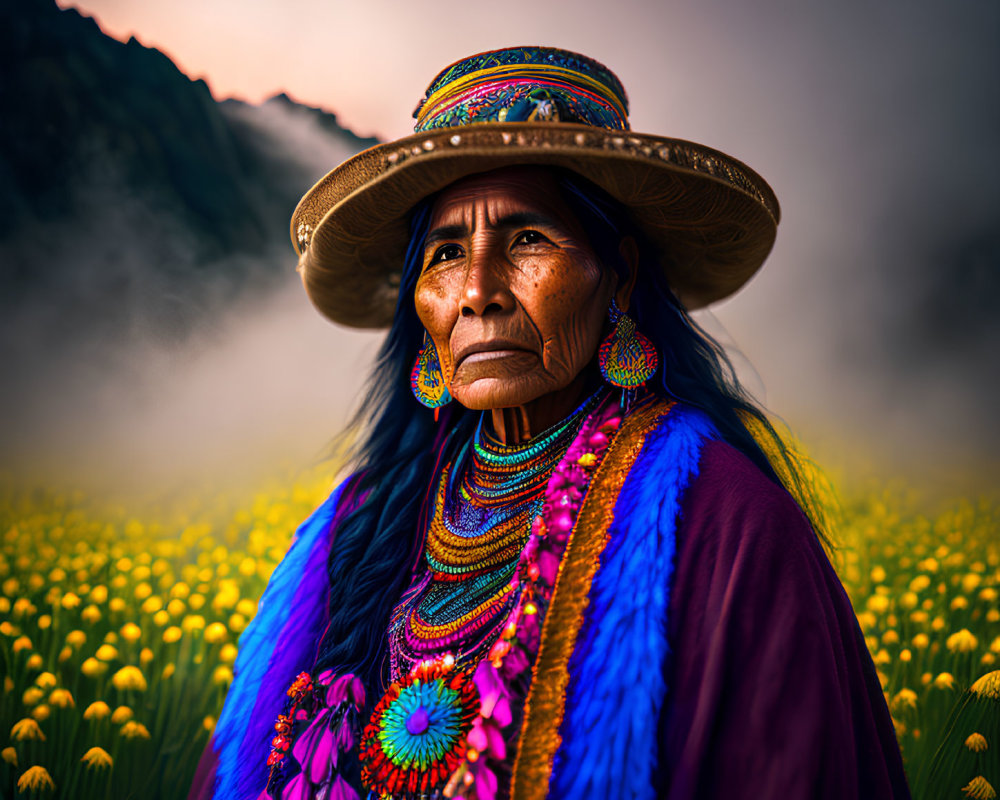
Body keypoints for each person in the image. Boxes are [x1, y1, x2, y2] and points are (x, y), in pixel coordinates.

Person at [190, 47, 910, 800]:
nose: (476, 292)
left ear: (620, 274)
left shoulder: (727, 527)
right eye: (444, 253)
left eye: (528, 239)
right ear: (417, 305)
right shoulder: (354, 526)